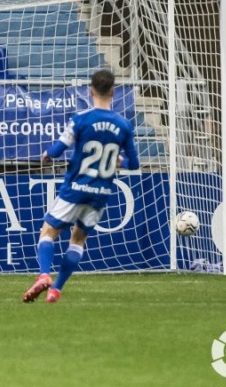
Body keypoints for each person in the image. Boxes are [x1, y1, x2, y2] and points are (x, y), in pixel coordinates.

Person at [23, 69, 139, 304]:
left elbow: (57, 150)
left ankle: (44, 274)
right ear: (113, 92)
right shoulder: (124, 125)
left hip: (75, 188)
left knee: (48, 232)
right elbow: (134, 163)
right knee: (77, 240)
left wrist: (46, 154)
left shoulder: (80, 119)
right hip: (100, 194)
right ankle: (56, 289)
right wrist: (120, 161)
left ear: (91, 90)